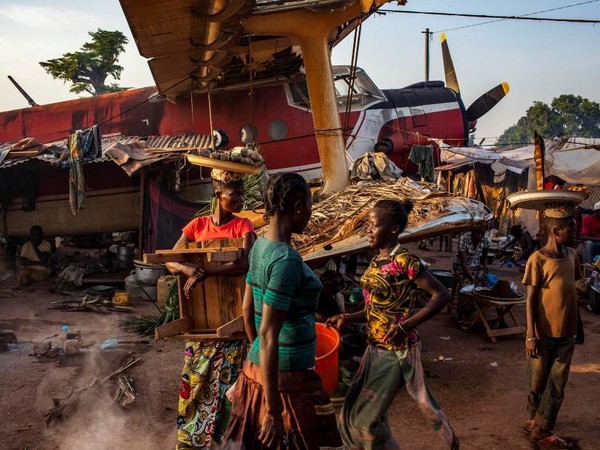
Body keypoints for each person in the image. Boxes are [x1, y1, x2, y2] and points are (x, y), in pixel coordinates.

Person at [222, 173, 343, 450]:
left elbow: (246, 308)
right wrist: (274, 412)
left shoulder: (260, 246)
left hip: (258, 374)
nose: (311, 215)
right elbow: (268, 335)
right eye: (310, 208)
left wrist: (259, 359)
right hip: (289, 385)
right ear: (299, 207)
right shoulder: (285, 261)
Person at [326, 199, 460, 450]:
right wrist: (348, 317)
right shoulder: (376, 262)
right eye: (368, 225)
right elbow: (374, 309)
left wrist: (405, 326)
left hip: (397, 352)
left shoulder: (406, 261)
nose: (368, 230)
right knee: (350, 414)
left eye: (373, 225)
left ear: (393, 229)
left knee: (365, 422)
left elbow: (441, 294)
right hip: (374, 348)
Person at [165, 169, 256, 449]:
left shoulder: (244, 226)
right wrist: (186, 267)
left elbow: (244, 264)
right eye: (235, 195)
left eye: (242, 193)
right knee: (194, 384)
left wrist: (204, 270)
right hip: (200, 322)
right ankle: (190, 439)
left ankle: (227, 441)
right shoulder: (196, 227)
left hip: (232, 320)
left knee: (228, 388)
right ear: (218, 195)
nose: (240, 199)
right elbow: (170, 259)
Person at [522, 206, 582, 448]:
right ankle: (534, 419)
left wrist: (578, 327)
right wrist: (530, 335)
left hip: (566, 333)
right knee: (538, 381)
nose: (575, 234)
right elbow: (530, 299)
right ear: (556, 231)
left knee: (557, 384)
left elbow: (572, 293)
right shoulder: (537, 260)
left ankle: (543, 429)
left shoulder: (572, 257)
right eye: (571, 230)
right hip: (542, 333)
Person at [452, 225, 492, 327]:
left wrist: (484, 268)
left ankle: (478, 308)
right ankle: (463, 314)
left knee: (488, 284)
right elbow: (463, 262)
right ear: (472, 232)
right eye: (477, 233)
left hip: (476, 266)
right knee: (465, 286)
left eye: (482, 234)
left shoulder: (486, 239)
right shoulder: (464, 238)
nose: (480, 236)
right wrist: (471, 277)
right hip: (461, 266)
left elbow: (484, 258)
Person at [15, 225, 52, 289]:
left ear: (41, 236)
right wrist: (39, 263)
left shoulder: (47, 244)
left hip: (42, 269)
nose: (35, 237)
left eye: (37, 235)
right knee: (21, 273)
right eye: (33, 235)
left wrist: (35, 247)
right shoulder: (26, 245)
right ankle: (27, 281)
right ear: (30, 235)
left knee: (35, 276)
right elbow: (22, 261)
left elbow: (44, 259)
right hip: (30, 268)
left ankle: (28, 282)